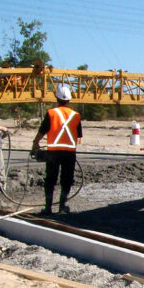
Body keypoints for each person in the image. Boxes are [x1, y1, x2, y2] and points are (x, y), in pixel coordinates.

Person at [32, 84, 82, 215]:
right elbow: (79, 135)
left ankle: (48, 207)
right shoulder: (76, 115)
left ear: (57, 98)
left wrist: (35, 143)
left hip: (53, 152)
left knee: (50, 179)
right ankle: (62, 207)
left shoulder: (51, 113)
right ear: (69, 100)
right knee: (67, 179)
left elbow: (42, 131)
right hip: (69, 153)